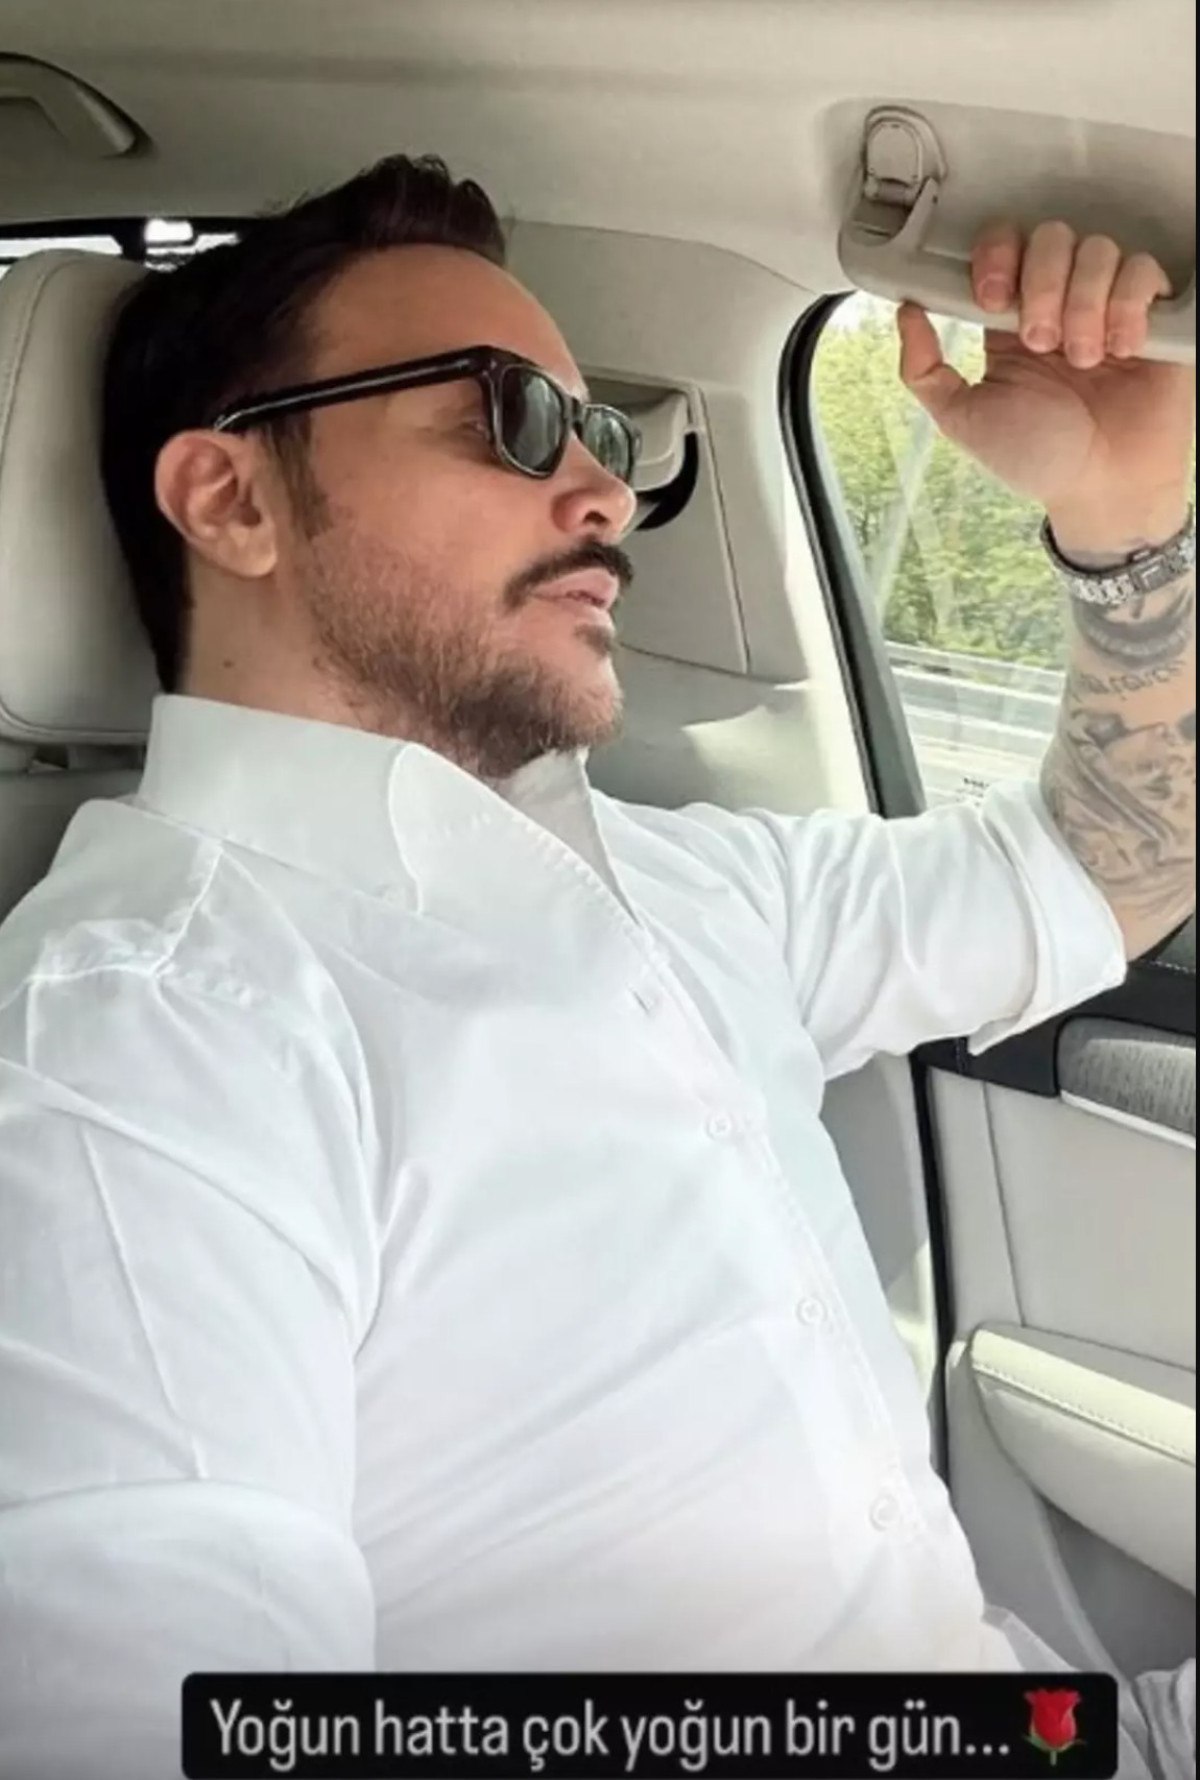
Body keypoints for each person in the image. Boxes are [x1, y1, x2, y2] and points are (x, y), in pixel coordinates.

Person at [0, 155, 1194, 1779]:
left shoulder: (687, 879)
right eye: (510, 419)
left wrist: (1129, 531)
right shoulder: (143, 1038)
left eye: (601, 435)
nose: (607, 499)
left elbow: (1105, 873)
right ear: (232, 501)